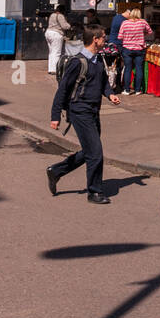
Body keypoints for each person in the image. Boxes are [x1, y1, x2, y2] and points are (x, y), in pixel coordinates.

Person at [47, 28, 121, 204]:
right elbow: (63, 89)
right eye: (103, 38)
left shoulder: (97, 61)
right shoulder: (78, 62)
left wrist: (110, 94)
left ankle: (56, 171)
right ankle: (94, 192)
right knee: (96, 153)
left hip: (94, 110)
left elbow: (103, 82)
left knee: (89, 150)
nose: (106, 40)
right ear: (95, 40)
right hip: (80, 111)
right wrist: (55, 115)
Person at [117, 8, 153, 95]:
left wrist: (128, 36)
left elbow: (120, 37)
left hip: (127, 49)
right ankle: (137, 90)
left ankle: (127, 90)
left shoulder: (125, 23)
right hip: (139, 49)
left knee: (128, 69)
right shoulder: (143, 22)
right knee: (139, 68)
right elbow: (150, 32)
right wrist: (142, 34)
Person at [46, 5, 72, 75]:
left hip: (48, 33)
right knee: (57, 52)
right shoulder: (60, 16)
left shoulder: (52, 15)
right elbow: (64, 26)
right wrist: (70, 25)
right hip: (56, 34)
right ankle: (55, 70)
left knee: (51, 52)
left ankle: (50, 69)